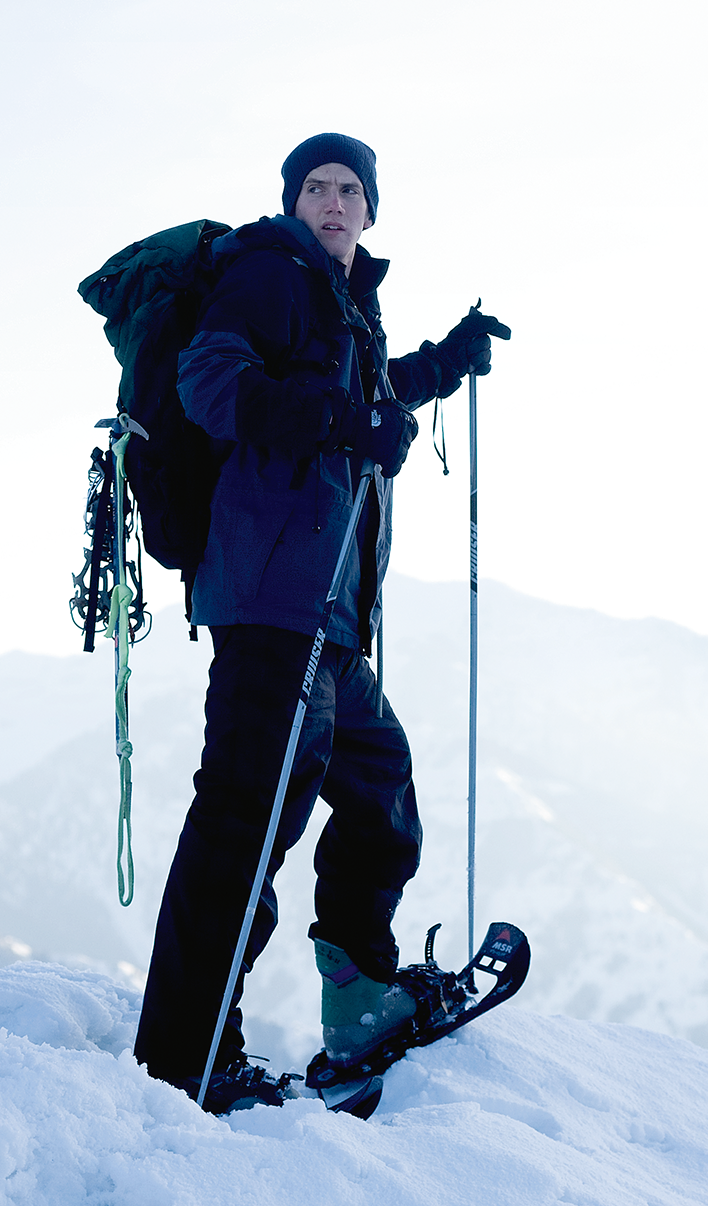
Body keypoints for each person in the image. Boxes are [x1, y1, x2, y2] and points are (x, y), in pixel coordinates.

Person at [131, 133, 509, 1113]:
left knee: (380, 791)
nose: (333, 201)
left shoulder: (344, 304)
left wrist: (445, 365)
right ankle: (187, 1055)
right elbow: (209, 385)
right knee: (247, 830)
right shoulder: (269, 273)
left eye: (350, 189)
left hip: (330, 621)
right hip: (271, 607)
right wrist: (345, 422)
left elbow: (369, 401)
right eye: (316, 186)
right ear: (294, 201)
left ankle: (359, 1001)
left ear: (372, 211)